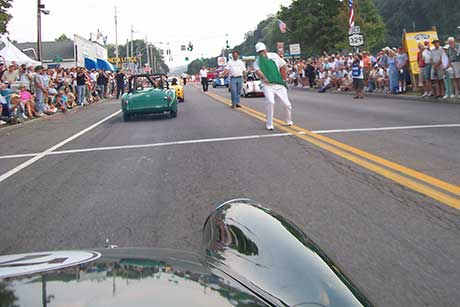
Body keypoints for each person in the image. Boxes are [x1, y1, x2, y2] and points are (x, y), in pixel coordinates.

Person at [253, 42, 293, 131]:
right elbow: (258, 72)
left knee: (287, 104)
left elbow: (283, 66)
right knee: (270, 102)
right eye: (259, 52)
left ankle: (289, 120)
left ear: (266, 49)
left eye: (262, 51)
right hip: (267, 85)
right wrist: (264, 78)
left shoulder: (274, 56)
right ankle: (269, 123)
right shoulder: (257, 62)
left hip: (278, 83)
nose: (261, 53)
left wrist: (284, 78)